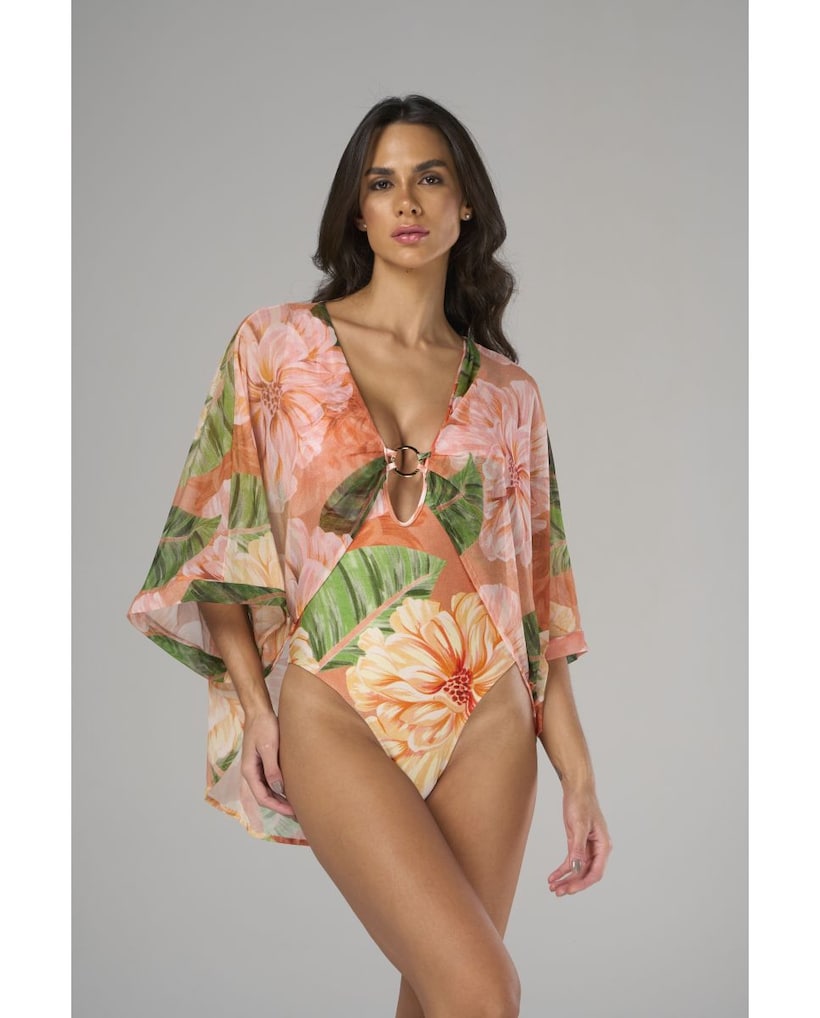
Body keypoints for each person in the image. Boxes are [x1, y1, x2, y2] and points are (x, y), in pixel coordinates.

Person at [127, 94, 612, 1018]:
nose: (407, 201)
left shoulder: (510, 393)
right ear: (357, 210)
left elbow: (542, 606)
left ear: (465, 203)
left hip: (489, 718)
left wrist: (580, 779)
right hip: (334, 707)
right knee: (483, 991)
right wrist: (256, 705)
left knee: (442, 1000)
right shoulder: (276, 346)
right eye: (382, 183)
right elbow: (219, 534)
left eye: (430, 177)